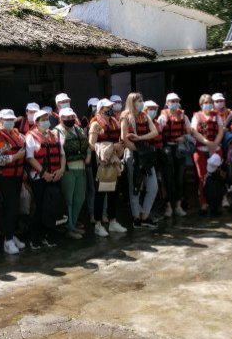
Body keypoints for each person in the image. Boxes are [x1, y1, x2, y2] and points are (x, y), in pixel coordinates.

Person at [26, 109, 66, 248]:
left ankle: (49, 234)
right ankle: (35, 237)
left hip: (55, 176)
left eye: (46, 119)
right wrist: (44, 173)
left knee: (52, 207)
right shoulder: (31, 136)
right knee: (38, 207)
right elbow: (30, 158)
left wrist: (61, 170)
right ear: (36, 123)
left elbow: (62, 154)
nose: (45, 122)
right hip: (39, 178)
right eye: (42, 120)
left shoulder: (55, 135)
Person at [0, 109, 27, 254]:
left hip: (16, 176)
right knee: (10, 207)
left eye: (12, 119)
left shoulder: (14, 133)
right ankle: (8, 240)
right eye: (7, 120)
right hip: (6, 177)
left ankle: (11, 235)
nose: (10, 122)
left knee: (15, 207)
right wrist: (15, 157)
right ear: (0, 121)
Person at [120, 92, 161, 228]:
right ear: (132, 102)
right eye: (138, 100)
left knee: (153, 186)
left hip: (146, 155)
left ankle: (145, 215)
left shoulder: (145, 116)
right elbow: (125, 139)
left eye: (141, 100)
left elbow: (154, 132)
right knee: (135, 187)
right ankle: (136, 218)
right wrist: (138, 149)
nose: (141, 103)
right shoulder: (125, 117)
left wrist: (140, 139)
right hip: (132, 154)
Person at [88, 99, 127, 237]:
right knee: (100, 193)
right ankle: (98, 224)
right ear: (100, 109)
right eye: (107, 107)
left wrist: (119, 147)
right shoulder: (95, 124)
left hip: (114, 161)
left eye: (111, 107)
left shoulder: (114, 122)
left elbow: (120, 140)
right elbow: (92, 145)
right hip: (101, 163)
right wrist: (110, 147)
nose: (110, 109)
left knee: (113, 193)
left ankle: (113, 221)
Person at [55, 107, 90, 239]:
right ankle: (69, 228)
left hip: (81, 168)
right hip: (68, 169)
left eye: (71, 117)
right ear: (61, 118)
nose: (70, 119)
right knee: (68, 200)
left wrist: (88, 155)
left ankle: (73, 224)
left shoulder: (79, 129)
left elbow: (86, 144)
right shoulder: (57, 131)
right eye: (66, 117)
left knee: (79, 198)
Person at [157, 92, 191, 217]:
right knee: (167, 178)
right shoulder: (162, 117)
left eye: (176, 101)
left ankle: (177, 205)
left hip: (180, 149)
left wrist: (184, 137)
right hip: (167, 149)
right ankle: (168, 206)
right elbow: (158, 134)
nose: (174, 103)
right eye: (172, 101)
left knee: (179, 178)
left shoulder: (184, 116)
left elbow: (190, 132)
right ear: (167, 103)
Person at [190, 94, 222, 213]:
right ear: (201, 104)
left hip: (215, 150)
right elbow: (194, 132)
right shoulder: (196, 117)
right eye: (205, 102)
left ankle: (216, 202)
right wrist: (207, 143)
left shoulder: (217, 116)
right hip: (201, 150)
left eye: (210, 102)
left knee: (216, 176)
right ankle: (203, 203)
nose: (208, 104)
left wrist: (214, 144)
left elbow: (220, 131)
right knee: (202, 178)